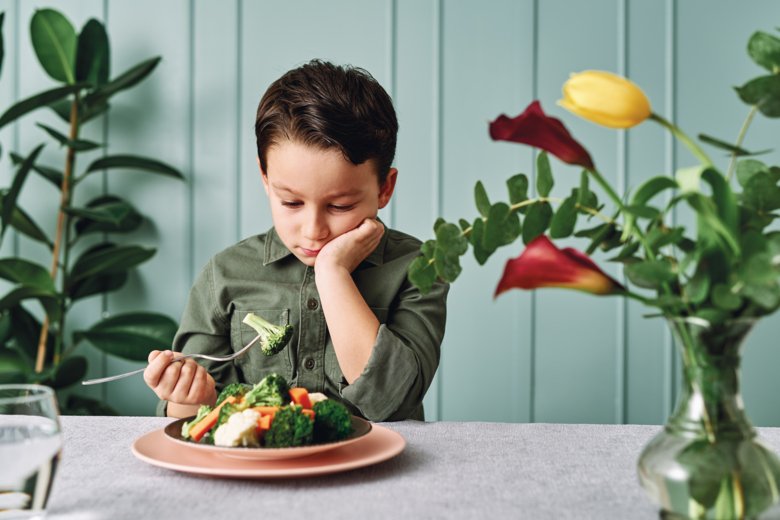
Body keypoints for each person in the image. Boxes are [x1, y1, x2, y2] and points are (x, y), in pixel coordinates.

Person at [143, 60, 449, 421]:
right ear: (265, 178)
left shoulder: (419, 267)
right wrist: (187, 395)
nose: (313, 230)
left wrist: (333, 274)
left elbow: (391, 403)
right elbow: (194, 419)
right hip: (257, 474)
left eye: (340, 205)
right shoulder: (225, 274)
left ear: (385, 188)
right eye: (291, 202)